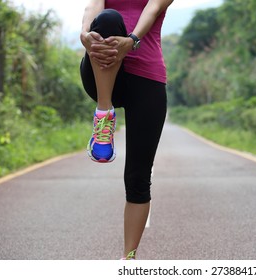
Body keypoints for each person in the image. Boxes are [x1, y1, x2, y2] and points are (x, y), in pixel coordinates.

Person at [79, 0, 173, 260]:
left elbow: (152, 9)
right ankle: (103, 113)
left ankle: (128, 260)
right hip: (101, 70)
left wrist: (131, 41)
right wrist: (85, 35)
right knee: (108, 18)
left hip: (147, 77)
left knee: (138, 177)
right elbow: (92, 7)